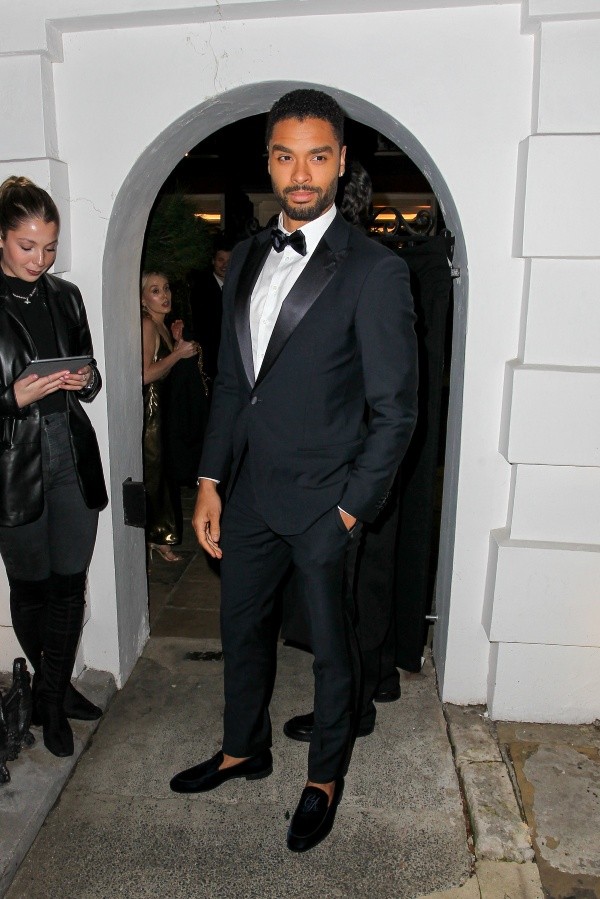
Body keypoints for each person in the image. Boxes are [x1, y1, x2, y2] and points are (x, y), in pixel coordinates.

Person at [170, 89, 418, 853]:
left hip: (323, 505)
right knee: (241, 630)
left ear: (342, 162)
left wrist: (349, 510)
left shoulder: (375, 271)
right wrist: (211, 481)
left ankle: (324, 776)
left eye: (317, 155)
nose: (300, 173)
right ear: (269, 161)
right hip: (247, 498)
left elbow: (397, 411)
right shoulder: (245, 253)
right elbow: (238, 384)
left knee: (332, 651)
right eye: (286, 155)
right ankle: (245, 748)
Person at [0, 175, 108, 757]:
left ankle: (51, 698)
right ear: (0, 238)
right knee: (32, 590)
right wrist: (12, 398)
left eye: (49, 246)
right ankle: (53, 695)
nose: (40, 259)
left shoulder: (65, 296)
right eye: (27, 246)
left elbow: (90, 373)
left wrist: (85, 378)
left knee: (70, 585)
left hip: (70, 454)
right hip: (13, 468)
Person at [141, 271, 198, 562]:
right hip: (152, 411)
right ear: (142, 298)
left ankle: (160, 536)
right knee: (156, 474)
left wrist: (175, 344)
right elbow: (145, 374)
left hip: (165, 408)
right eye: (155, 291)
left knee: (165, 473)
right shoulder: (148, 326)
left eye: (166, 288)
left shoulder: (160, 325)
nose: (165, 295)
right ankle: (156, 536)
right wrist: (177, 355)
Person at [188, 236, 233, 391]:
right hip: (211, 360)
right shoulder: (201, 289)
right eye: (221, 260)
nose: (225, 265)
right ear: (213, 261)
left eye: (229, 260)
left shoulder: (240, 287)